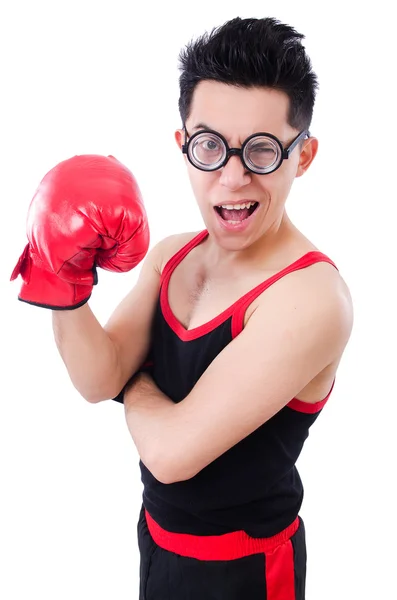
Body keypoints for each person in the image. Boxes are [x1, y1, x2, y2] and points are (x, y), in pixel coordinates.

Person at [12, 16, 354, 600]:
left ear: (304, 156)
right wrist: (59, 275)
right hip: (157, 542)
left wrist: (135, 379)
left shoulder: (310, 297)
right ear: (184, 145)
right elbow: (98, 379)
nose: (233, 176)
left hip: (246, 572)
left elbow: (170, 455)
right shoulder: (173, 256)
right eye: (210, 145)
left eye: (264, 150)